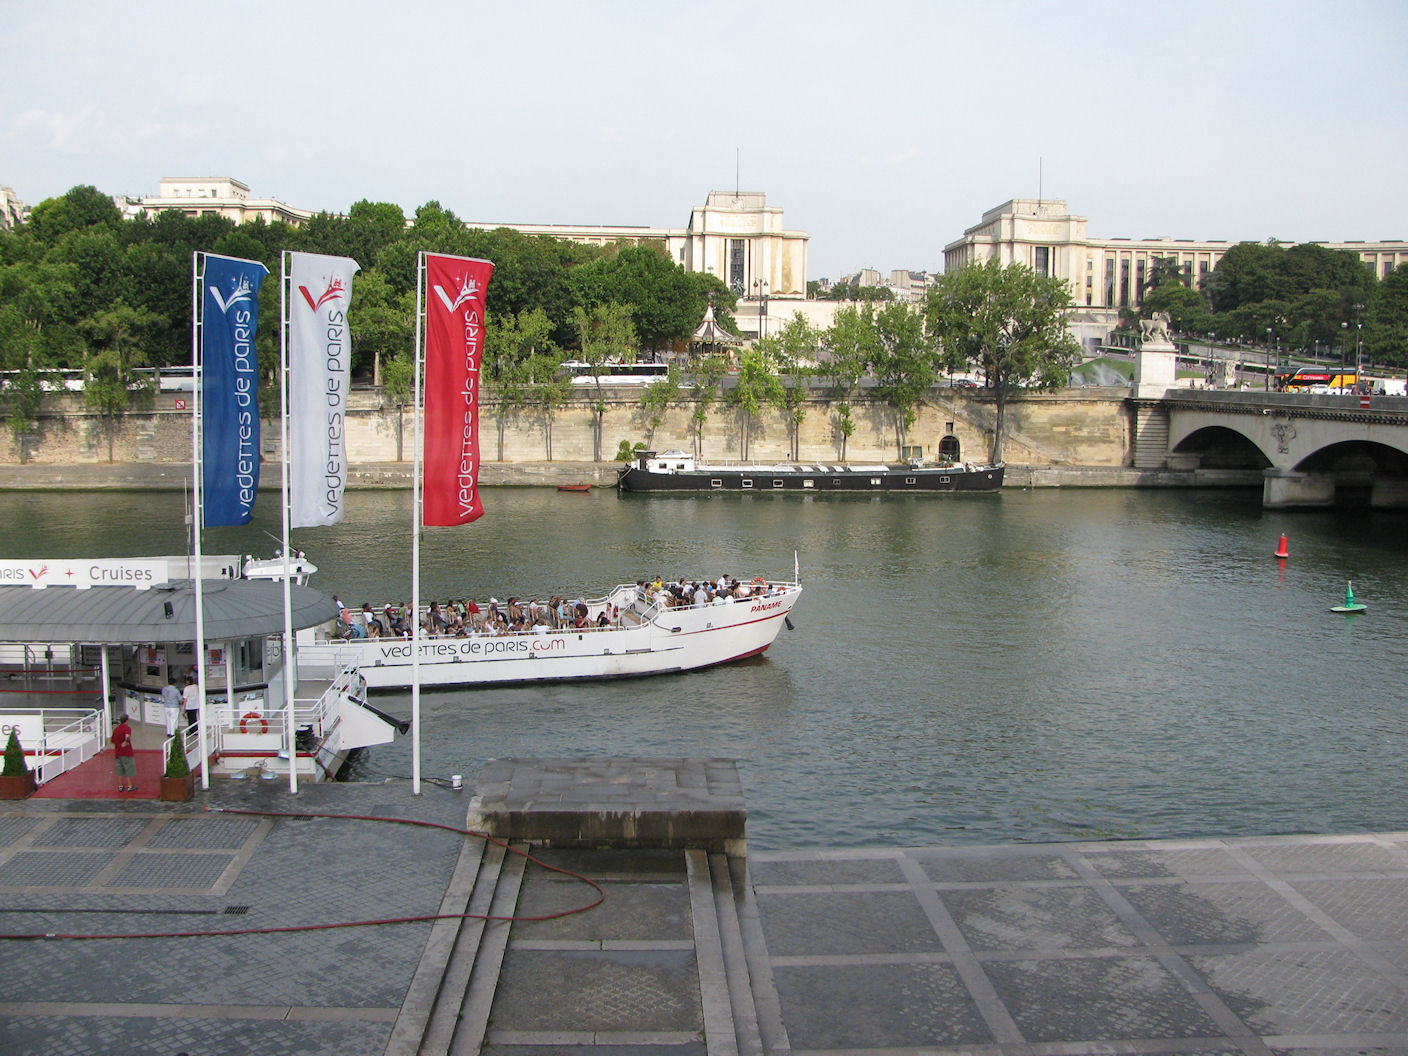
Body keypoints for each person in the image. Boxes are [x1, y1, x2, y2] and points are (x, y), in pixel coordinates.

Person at [112, 712, 136, 792]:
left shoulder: (116, 729)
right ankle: (129, 786)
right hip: (126, 752)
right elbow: (127, 737)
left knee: (119, 769)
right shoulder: (127, 728)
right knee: (128, 768)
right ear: (126, 721)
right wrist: (125, 742)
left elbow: (113, 740)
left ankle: (120, 786)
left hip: (118, 752)